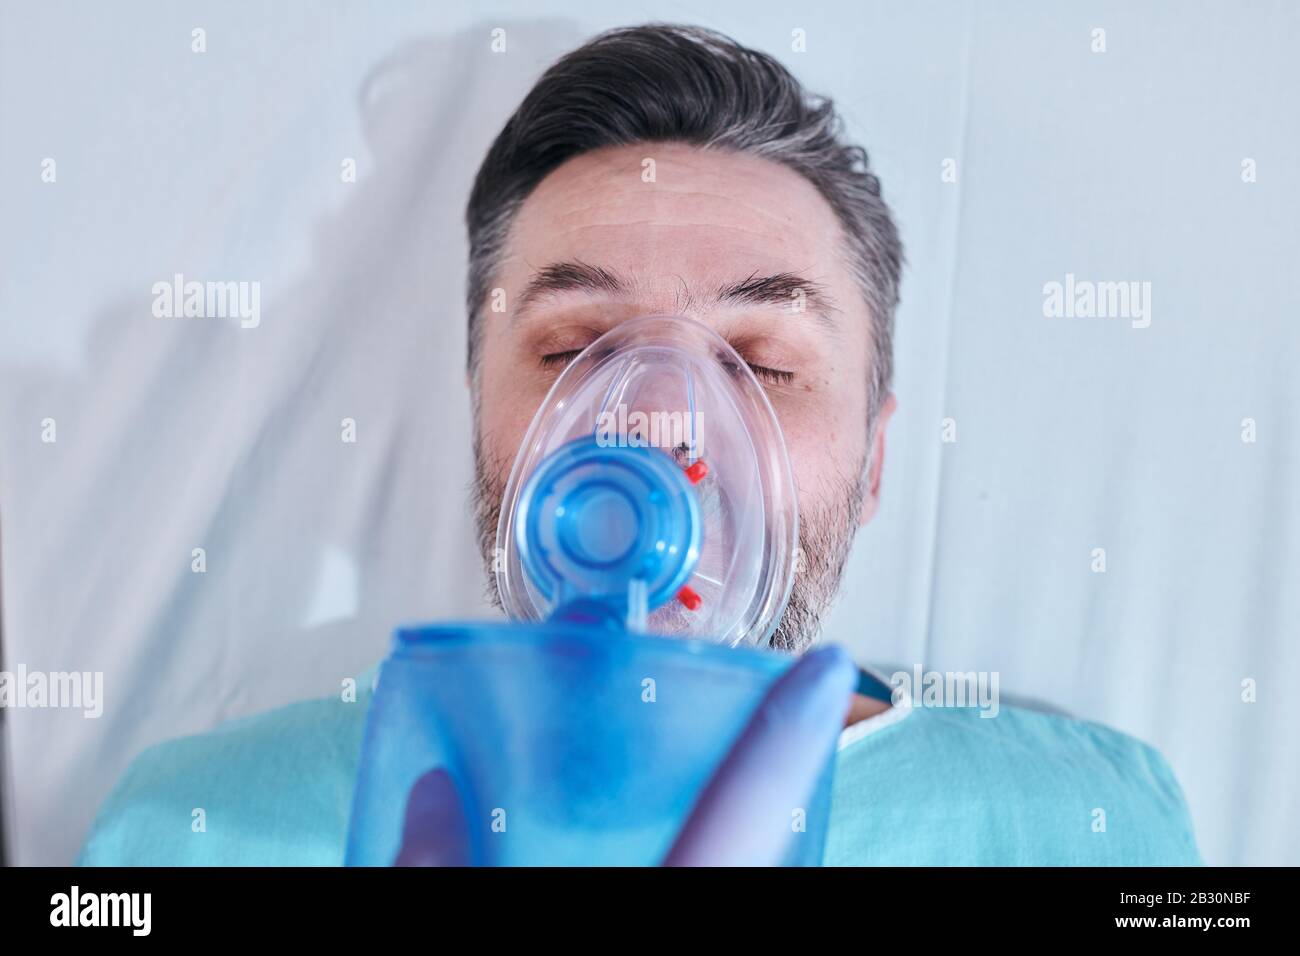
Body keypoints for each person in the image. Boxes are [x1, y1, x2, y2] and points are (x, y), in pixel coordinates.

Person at [78, 24, 1201, 866]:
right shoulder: (192, 828)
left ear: (873, 466)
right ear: (480, 417)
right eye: (575, 346)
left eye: (761, 360)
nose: (660, 423)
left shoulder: (1091, 827)